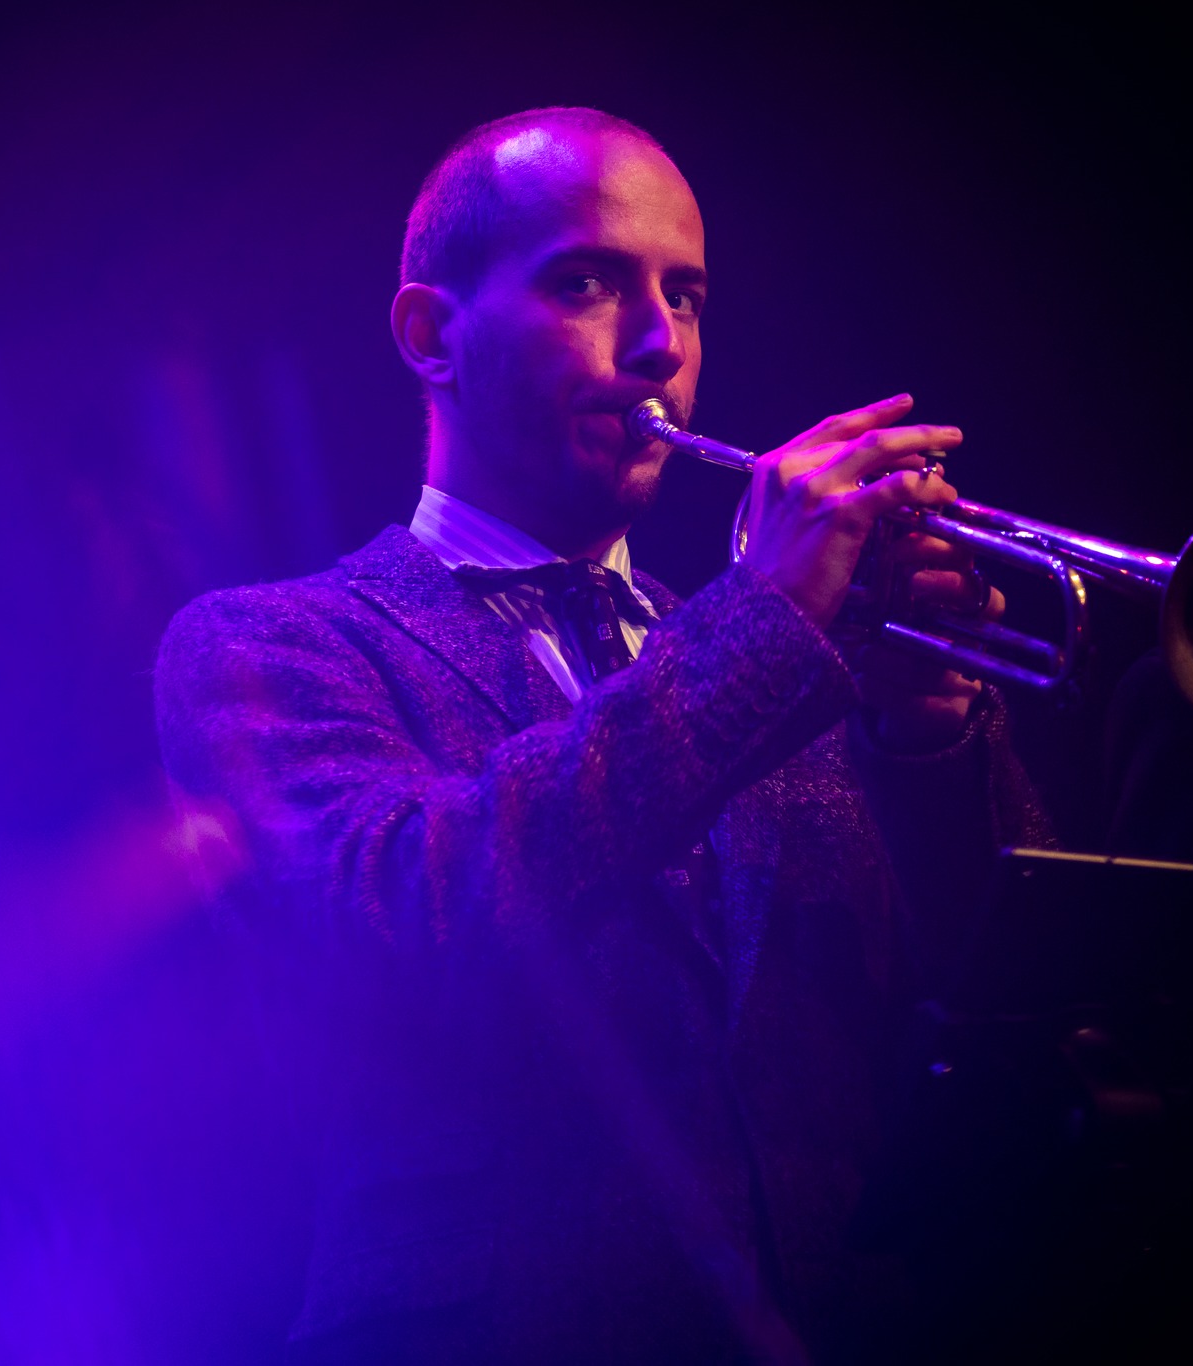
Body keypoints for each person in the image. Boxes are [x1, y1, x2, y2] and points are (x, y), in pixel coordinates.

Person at [154, 107, 1047, 1364]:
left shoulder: (769, 655)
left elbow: (1004, 1004)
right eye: (585, 282)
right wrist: (764, 621)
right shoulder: (271, 643)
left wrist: (927, 733)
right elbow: (405, 913)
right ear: (431, 335)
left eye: (685, 296)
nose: (656, 344)